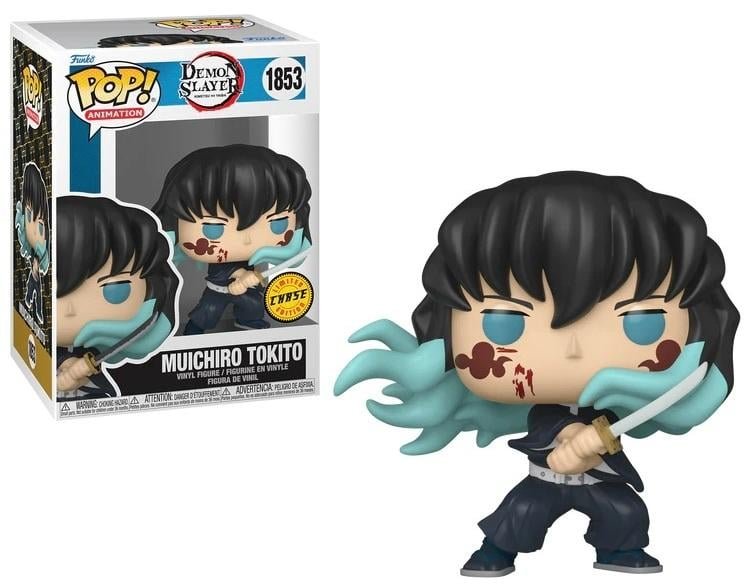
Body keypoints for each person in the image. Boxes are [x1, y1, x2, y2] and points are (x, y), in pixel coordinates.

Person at [335, 171, 739, 576]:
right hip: (546, 479)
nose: (574, 350)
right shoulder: (545, 408)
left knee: (626, 513)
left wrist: (594, 438)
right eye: (503, 323)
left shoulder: (617, 404)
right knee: (521, 513)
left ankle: (619, 551)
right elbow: (546, 424)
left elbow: (612, 428)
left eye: (643, 323)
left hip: (601, 481)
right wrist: (568, 434)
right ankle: (494, 551)